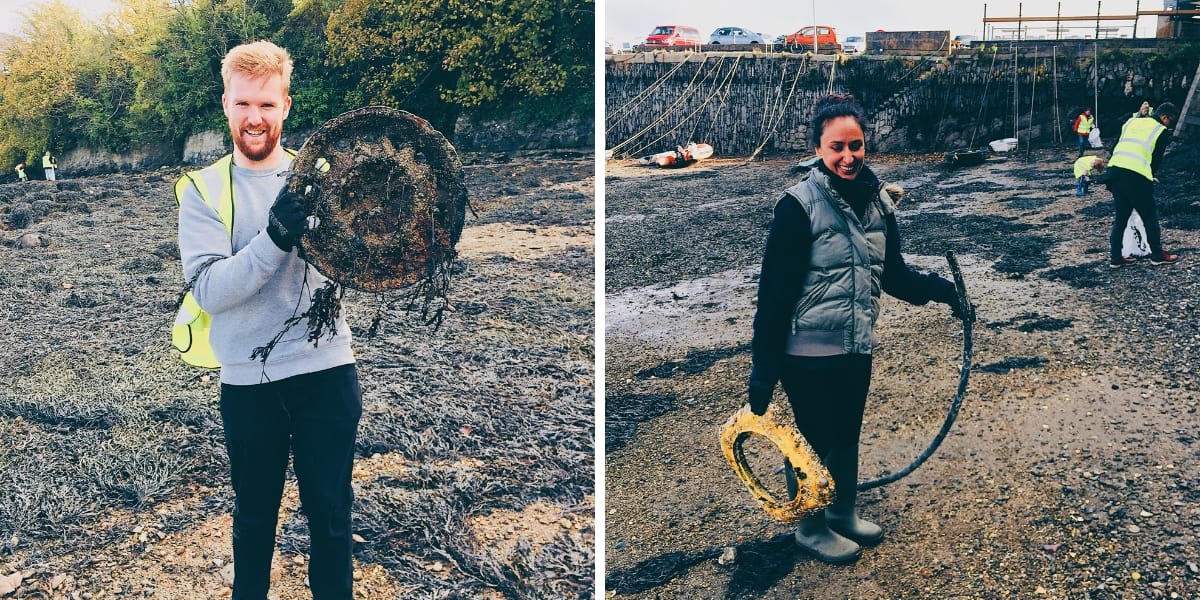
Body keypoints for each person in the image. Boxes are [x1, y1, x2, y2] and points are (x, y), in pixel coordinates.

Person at [746, 93, 968, 564]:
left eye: (857, 145)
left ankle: (841, 514)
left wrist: (945, 292)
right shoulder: (797, 206)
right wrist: (762, 369)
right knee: (812, 440)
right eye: (837, 147)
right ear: (819, 150)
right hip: (804, 351)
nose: (848, 157)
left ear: (866, 144)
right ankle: (809, 525)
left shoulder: (880, 205)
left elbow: (894, 276)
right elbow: (774, 293)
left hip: (855, 344)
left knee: (846, 433)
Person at [176, 40, 360, 599]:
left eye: (267, 104)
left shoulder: (325, 176)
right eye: (243, 104)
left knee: (331, 520)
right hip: (248, 386)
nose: (254, 118)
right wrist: (276, 237)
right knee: (254, 523)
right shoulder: (202, 191)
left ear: (285, 105)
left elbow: (371, 252)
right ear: (226, 104)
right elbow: (208, 289)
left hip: (326, 374)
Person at [1106, 101, 1180, 268]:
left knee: (1121, 218)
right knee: (1149, 217)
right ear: (1164, 117)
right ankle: (1157, 255)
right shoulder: (1160, 130)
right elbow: (1156, 160)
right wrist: (1150, 176)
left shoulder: (1132, 121)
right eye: (1171, 121)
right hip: (1136, 177)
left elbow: (1114, 147)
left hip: (1115, 172)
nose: (1170, 125)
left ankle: (1116, 258)